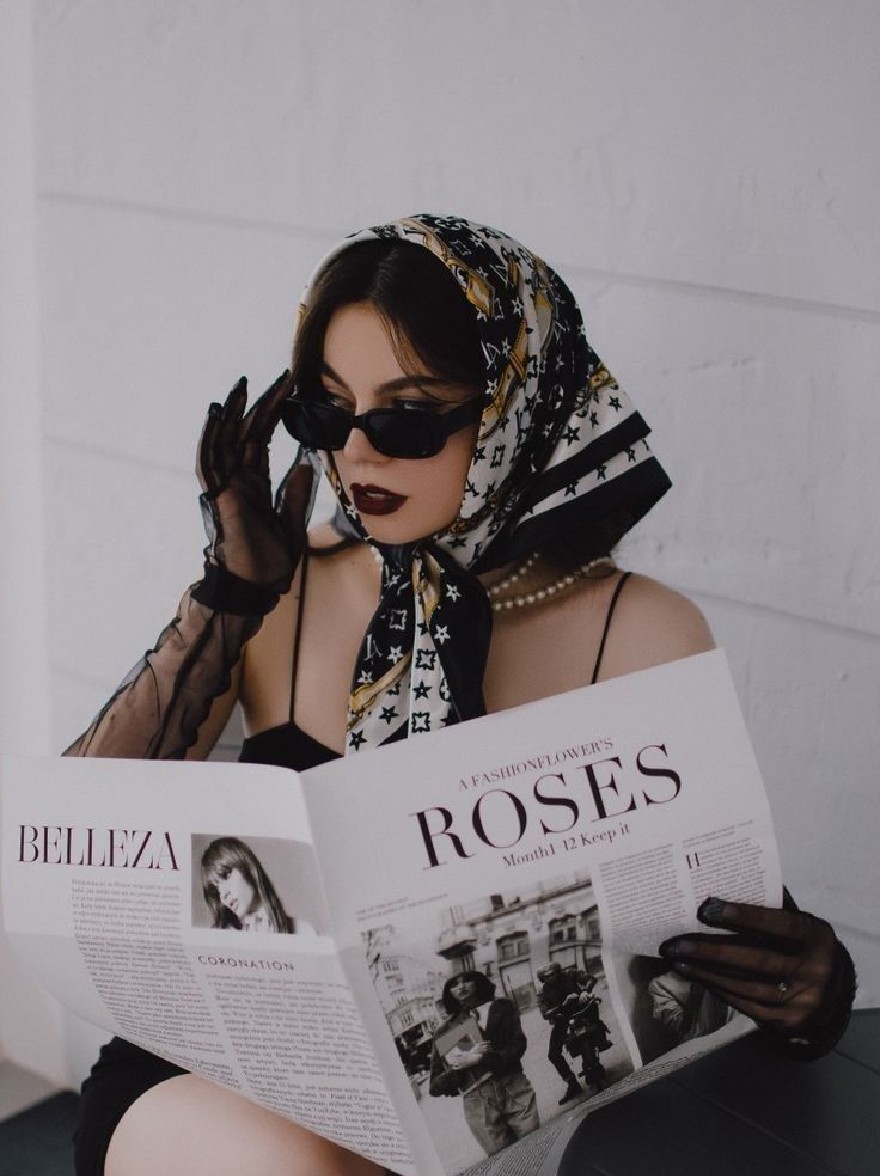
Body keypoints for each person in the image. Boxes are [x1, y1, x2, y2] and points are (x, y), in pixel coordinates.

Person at [69, 214, 856, 1176]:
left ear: (516, 410)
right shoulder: (282, 584)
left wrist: (814, 990)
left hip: (464, 1100)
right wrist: (228, 598)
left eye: (405, 419)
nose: (356, 457)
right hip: (228, 1075)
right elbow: (77, 839)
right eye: (326, 413)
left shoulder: (639, 628)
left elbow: (713, 919)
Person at [428, 970, 539, 1156]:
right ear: (449, 993)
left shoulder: (502, 1007)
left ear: (478, 982)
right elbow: (435, 1086)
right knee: (505, 1160)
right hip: (478, 1102)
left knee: (536, 1146)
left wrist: (484, 1058)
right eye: (454, 985)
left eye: (466, 980)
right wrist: (461, 1065)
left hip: (514, 1087)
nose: (461, 987)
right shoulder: (444, 1031)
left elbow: (518, 1045)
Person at [537, 962, 609, 1103]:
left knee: (595, 1025)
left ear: (558, 971)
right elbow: (545, 1013)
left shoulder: (569, 974)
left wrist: (585, 991)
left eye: (553, 974)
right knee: (553, 1054)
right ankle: (572, 1083)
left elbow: (590, 978)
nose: (551, 978)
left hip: (582, 1010)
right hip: (563, 1018)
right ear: (542, 979)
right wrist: (562, 1005)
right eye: (546, 977)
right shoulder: (542, 992)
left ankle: (600, 1044)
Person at [200, 836, 296, 934]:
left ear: (248, 868)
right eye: (216, 889)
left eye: (226, 876)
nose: (223, 896)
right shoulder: (221, 936)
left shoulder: (301, 930)